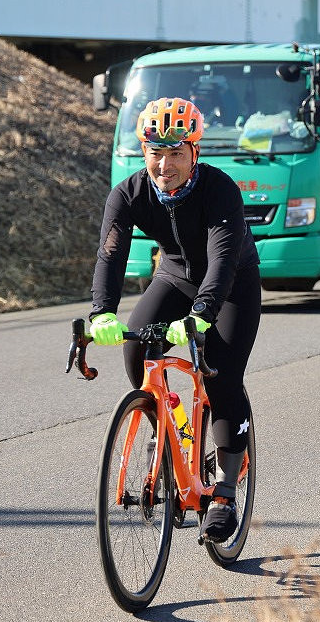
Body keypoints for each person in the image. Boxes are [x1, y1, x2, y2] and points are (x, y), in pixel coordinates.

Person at [88, 97, 261, 542]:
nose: (164, 165)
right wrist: (102, 311)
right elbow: (110, 254)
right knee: (136, 353)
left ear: (194, 153)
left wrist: (202, 315)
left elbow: (222, 262)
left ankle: (223, 490)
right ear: (143, 151)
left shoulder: (220, 189)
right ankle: (169, 426)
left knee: (220, 374)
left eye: (176, 153)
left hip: (232, 283)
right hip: (176, 274)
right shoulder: (127, 193)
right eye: (155, 153)